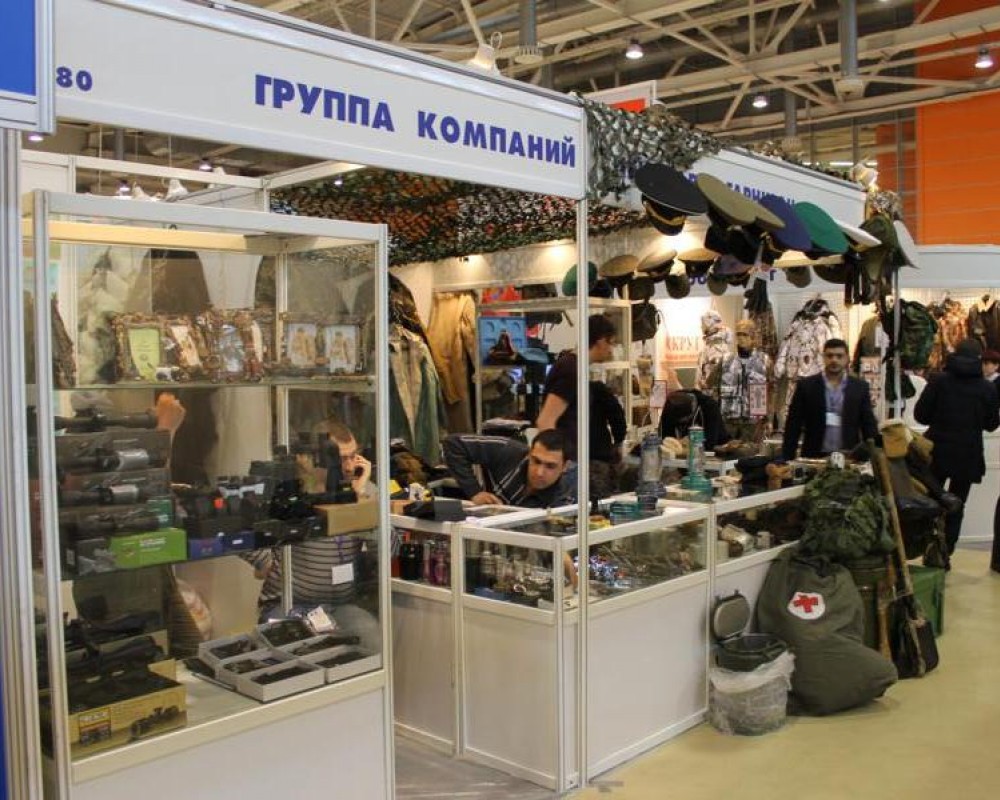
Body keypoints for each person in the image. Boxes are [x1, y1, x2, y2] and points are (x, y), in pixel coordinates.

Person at [250, 420, 374, 610]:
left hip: (342, 606)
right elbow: (237, 525)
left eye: (354, 456)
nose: (350, 467)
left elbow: (390, 551)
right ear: (317, 457)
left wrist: (360, 501)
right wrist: (266, 562)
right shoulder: (293, 489)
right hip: (290, 602)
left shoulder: (363, 489)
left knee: (371, 630)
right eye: (341, 459)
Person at [915, 339, 1000, 556]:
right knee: (957, 503)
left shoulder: (938, 380)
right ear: (979, 359)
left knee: (931, 499)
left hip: (937, 449)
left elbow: (921, 415)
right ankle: (945, 552)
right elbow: (992, 424)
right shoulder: (987, 387)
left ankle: (926, 546)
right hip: (968, 453)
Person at [534, 314, 618, 497]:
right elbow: (545, 421)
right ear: (601, 341)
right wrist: (557, 464)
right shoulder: (571, 370)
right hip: (566, 464)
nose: (611, 350)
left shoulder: (575, 367)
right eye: (611, 343)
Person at [782, 338, 879, 460]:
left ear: (847, 358)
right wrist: (787, 458)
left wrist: (873, 457)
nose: (834, 360)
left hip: (849, 458)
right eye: (830, 356)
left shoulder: (859, 388)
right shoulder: (806, 386)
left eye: (839, 356)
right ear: (823, 358)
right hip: (813, 457)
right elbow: (793, 425)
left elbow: (868, 424)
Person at [441, 428, 569, 508]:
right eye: (536, 461)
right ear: (529, 454)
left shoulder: (566, 497)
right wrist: (474, 491)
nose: (539, 472)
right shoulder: (507, 450)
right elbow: (453, 444)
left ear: (565, 467)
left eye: (550, 466)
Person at [717, 319, 771, 442]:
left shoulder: (764, 361)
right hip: (729, 420)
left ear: (753, 337)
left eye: (745, 335)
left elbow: (772, 391)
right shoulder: (726, 360)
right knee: (727, 452)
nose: (741, 338)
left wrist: (769, 419)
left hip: (754, 422)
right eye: (739, 334)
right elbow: (714, 388)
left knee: (752, 452)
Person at [659, 389, 730, 451]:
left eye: (684, 421)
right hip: (688, 452)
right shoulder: (671, 403)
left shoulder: (710, 407)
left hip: (718, 449)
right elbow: (665, 438)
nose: (681, 423)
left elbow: (710, 442)